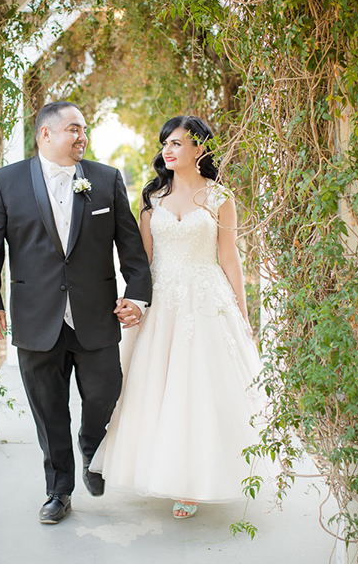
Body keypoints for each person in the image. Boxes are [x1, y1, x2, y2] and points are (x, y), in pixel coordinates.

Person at [0, 101, 152, 525]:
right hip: (37, 319)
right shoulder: (5, 182)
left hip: (96, 315)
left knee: (105, 393)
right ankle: (58, 490)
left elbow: (131, 249)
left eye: (84, 129)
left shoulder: (106, 180)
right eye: (73, 129)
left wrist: (138, 297)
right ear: (46, 134)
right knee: (48, 410)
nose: (82, 137)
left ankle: (91, 446)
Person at [90, 115, 264, 519]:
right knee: (158, 390)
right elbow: (142, 262)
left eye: (178, 143)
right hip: (164, 303)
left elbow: (229, 257)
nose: (167, 150)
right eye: (165, 143)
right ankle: (160, 471)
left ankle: (193, 482)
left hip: (207, 302)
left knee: (199, 389)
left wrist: (241, 310)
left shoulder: (220, 197)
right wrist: (134, 302)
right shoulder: (152, 200)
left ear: (199, 149)